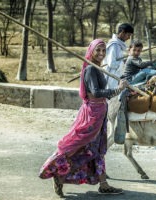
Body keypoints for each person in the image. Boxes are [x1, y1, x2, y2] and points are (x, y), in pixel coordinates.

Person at [39, 39, 128, 197]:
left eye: (103, 51)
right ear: (91, 51)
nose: (101, 54)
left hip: (100, 112)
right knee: (84, 149)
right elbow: (95, 93)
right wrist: (118, 89)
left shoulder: (96, 68)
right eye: (98, 50)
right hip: (92, 115)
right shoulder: (90, 70)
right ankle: (59, 175)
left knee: (99, 149)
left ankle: (103, 184)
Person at [103, 23, 134, 89]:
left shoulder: (118, 45)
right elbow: (111, 63)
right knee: (110, 96)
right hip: (110, 76)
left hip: (116, 75)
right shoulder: (114, 45)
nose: (129, 38)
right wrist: (123, 62)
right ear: (122, 32)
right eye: (128, 35)